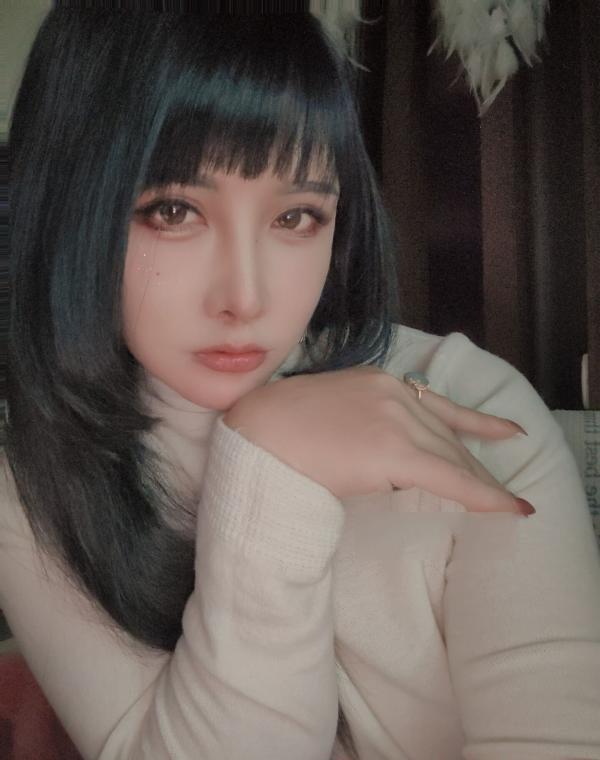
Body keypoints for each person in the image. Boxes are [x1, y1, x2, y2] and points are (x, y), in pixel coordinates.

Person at [1, 7, 599, 760]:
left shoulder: (469, 404)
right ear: (69, 203)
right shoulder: (27, 492)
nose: (246, 298)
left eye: (296, 217)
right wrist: (269, 472)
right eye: (173, 210)